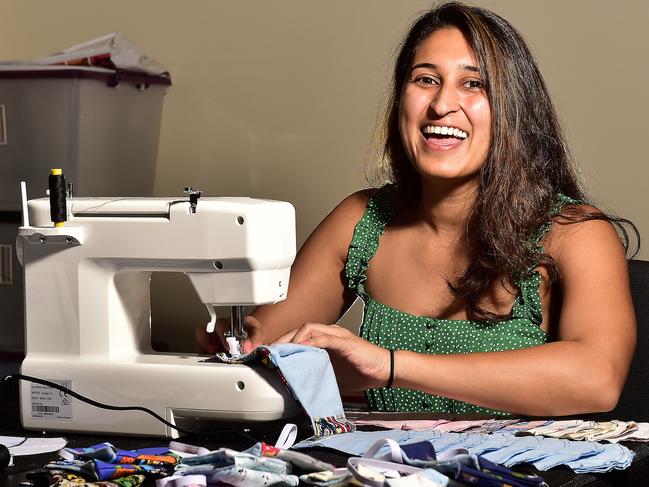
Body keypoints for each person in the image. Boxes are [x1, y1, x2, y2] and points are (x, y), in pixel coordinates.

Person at [198, 2, 637, 416]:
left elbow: (598, 379)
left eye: (474, 83)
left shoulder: (573, 232)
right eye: (425, 79)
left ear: (515, 109)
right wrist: (235, 342)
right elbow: (265, 350)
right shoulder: (361, 220)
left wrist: (388, 367)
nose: (442, 104)